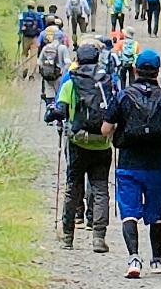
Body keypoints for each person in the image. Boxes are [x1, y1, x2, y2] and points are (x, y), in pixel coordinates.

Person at [104, 48, 161, 277]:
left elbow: (106, 128)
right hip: (157, 163)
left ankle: (134, 258)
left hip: (128, 161)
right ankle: (156, 259)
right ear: (157, 71)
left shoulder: (123, 96)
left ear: (135, 69)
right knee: (156, 212)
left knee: (129, 212)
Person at [46, 42, 114, 252]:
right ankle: (98, 238)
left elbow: (61, 111)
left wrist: (52, 114)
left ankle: (67, 237)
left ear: (78, 59)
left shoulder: (71, 82)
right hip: (102, 144)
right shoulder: (107, 80)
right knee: (101, 188)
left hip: (77, 142)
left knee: (73, 187)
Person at [36, 25, 71, 108]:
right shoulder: (62, 48)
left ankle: (49, 112)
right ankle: (59, 116)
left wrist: (44, 70)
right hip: (59, 75)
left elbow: (39, 62)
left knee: (49, 94)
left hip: (47, 76)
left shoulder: (46, 47)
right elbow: (67, 62)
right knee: (59, 95)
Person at [17, 3, 44, 79]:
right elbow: (41, 27)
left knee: (24, 54)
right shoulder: (37, 15)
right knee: (34, 56)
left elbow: (20, 27)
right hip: (34, 38)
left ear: (28, 7)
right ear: (33, 7)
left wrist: (19, 38)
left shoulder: (23, 15)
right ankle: (31, 73)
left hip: (25, 38)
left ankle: (24, 67)